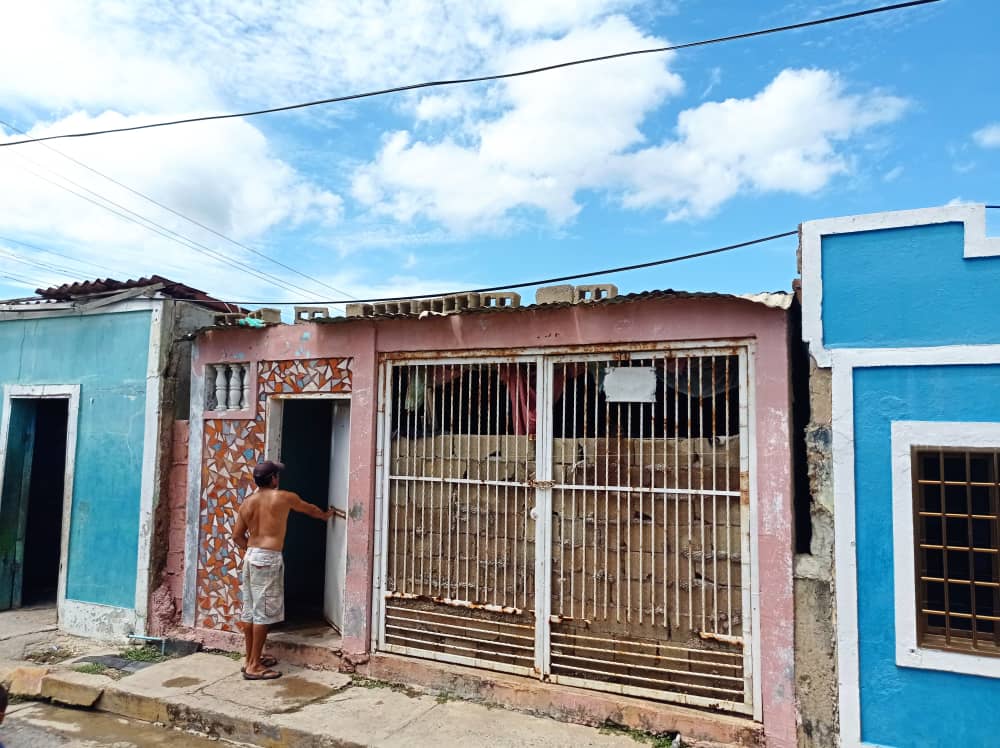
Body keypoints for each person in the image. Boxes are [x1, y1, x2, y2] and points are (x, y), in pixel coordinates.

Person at [233, 459, 336, 680]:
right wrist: (326, 515)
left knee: (250, 610)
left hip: (251, 556)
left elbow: (237, 536)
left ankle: (250, 658)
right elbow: (311, 510)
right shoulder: (284, 497)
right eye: (276, 475)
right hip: (268, 558)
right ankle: (253, 666)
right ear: (273, 478)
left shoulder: (247, 503)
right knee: (263, 613)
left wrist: (252, 551)